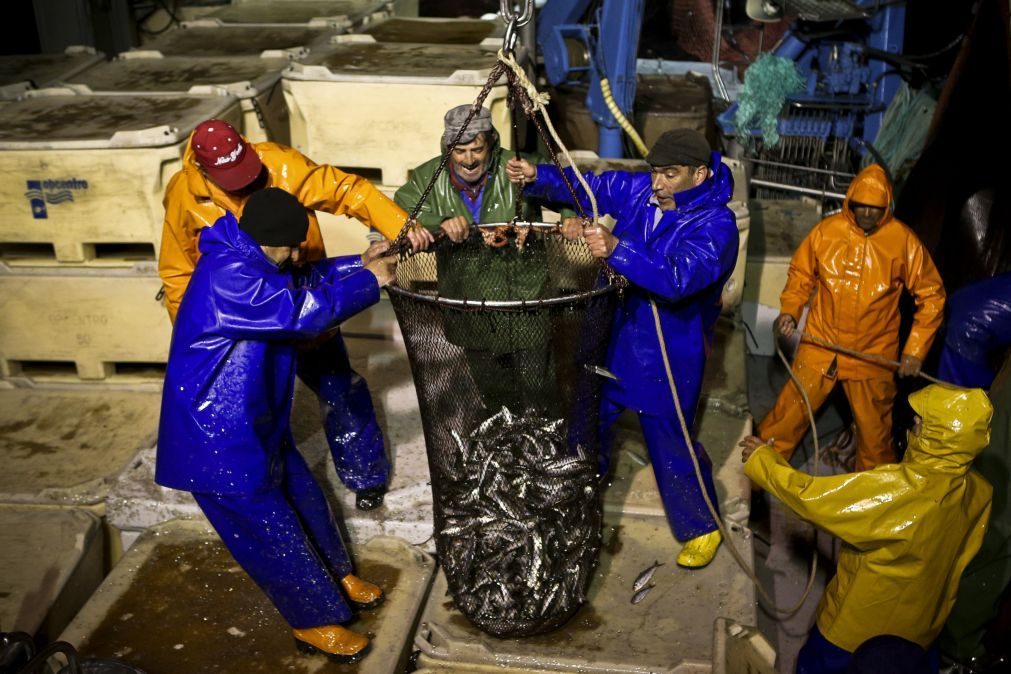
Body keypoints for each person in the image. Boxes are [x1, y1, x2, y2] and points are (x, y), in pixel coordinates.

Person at [156, 188, 398, 663]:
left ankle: (333, 577)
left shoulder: (256, 254)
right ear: (264, 239)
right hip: (217, 439)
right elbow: (297, 312)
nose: (294, 254)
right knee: (270, 530)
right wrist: (369, 283)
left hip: (254, 422)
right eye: (287, 246)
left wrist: (360, 263)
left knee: (303, 496)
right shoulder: (227, 276)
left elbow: (302, 278)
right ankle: (313, 620)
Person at [159, 119, 432, 510]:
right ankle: (272, 487)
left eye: (249, 173)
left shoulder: (281, 164)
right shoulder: (183, 195)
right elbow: (177, 271)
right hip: (242, 333)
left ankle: (365, 476)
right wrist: (199, 346)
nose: (245, 184)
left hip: (304, 301)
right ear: (203, 170)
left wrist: (399, 226)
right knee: (259, 411)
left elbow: (346, 190)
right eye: (233, 179)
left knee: (339, 387)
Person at [506, 128, 739, 568]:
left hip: (669, 352)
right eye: (656, 172)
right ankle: (579, 489)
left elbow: (677, 278)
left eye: (671, 175)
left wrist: (617, 248)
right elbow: (591, 184)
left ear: (700, 174)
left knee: (671, 439)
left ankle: (701, 525)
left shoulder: (717, 226)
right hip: (612, 333)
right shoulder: (638, 191)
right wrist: (539, 176)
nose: (659, 183)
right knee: (588, 416)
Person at [742, 384, 994, 674]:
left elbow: (814, 500)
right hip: (922, 627)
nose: (913, 424)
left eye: (920, 422)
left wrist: (764, 461)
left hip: (856, 626)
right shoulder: (980, 493)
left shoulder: (899, 490)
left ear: (936, 437)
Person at [754, 163, 946, 471]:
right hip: (821, 346)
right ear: (850, 202)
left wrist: (915, 350)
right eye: (861, 207)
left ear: (886, 207)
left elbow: (932, 296)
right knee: (788, 415)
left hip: (872, 355)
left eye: (875, 208)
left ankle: (871, 499)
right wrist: (790, 311)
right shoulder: (826, 233)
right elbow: (801, 275)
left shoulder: (904, 242)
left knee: (874, 436)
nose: (867, 214)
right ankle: (759, 472)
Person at [394, 104, 574, 415]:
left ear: (490, 141)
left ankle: (549, 440)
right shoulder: (428, 177)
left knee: (538, 384)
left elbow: (568, 190)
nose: (468, 159)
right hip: (468, 301)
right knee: (493, 389)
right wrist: (441, 221)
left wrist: (571, 218)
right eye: (459, 150)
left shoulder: (519, 167)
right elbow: (400, 213)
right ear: (447, 146)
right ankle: (504, 443)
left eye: (476, 149)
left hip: (526, 298)